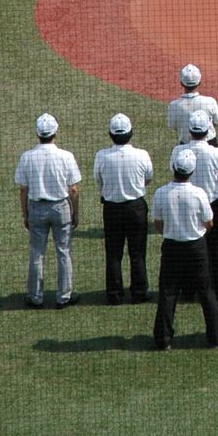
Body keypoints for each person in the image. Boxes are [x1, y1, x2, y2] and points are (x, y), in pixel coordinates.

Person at [152, 149, 218, 349]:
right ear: (192, 171)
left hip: (171, 247)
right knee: (206, 291)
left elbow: (158, 224)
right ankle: (215, 336)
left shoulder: (161, 193)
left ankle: (163, 339)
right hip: (196, 247)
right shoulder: (199, 194)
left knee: (168, 292)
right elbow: (209, 222)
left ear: (174, 168)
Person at [14, 113, 82, 308]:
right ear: (55, 132)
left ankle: (35, 297)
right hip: (61, 208)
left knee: (37, 253)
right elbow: (73, 189)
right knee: (64, 252)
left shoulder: (27, 157)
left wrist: (25, 213)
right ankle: (64, 296)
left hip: (36, 208)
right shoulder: (66, 156)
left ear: (37, 133)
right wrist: (75, 212)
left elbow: (23, 189)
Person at [94, 113, 154, 304]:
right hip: (135, 208)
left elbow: (99, 180)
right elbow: (148, 178)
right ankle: (139, 292)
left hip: (112, 209)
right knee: (137, 252)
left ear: (111, 135)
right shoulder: (142, 154)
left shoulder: (101, 156)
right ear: (130, 133)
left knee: (113, 253)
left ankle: (114, 294)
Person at [174, 108, 218, 298]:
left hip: (185, 204)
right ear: (208, 130)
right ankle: (216, 286)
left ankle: (189, 289)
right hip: (212, 203)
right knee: (213, 248)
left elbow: (175, 173)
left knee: (187, 243)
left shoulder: (179, 151)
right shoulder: (217, 153)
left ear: (190, 131)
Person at [167, 63, 218, 145]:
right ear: (199, 82)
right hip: (210, 143)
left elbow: (172, 126)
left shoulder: (173, 105)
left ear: (181, 83)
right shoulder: (210, 101)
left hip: (185, 145)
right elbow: (217, 121)